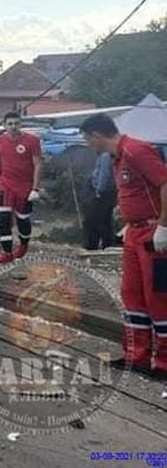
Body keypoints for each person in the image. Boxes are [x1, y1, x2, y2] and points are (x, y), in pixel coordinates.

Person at [81, 114, 167, 376]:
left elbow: (165, 184)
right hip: (134, 233)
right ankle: (137, 354)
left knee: (158, 297)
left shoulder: (136, 150)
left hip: (153, 232)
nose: (88, 145)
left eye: (87, 139)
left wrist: (163, 226)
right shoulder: (117, 158)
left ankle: (163, 361)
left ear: (97, 135)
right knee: (132, 293)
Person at [0, 111, 43, 264]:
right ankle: (7, 252)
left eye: (16, 123)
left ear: (20, 124)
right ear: (5, 125)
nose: (13, 127)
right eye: (10, 124)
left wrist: (36, 188)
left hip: (24, 186)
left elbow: (38, 164)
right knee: (4, 219)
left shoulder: (32, 141)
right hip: (5, 184)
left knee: (23, 218)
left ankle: (24, 244)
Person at [83, 151, 117, 250]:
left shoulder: (105, 156)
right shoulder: (106, 155)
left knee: (93, 219)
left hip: (102, 192)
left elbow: (104, 174)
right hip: (108, 192)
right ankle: (107, 244)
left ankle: (92, 244)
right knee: (104, 220)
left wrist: (99, 191)